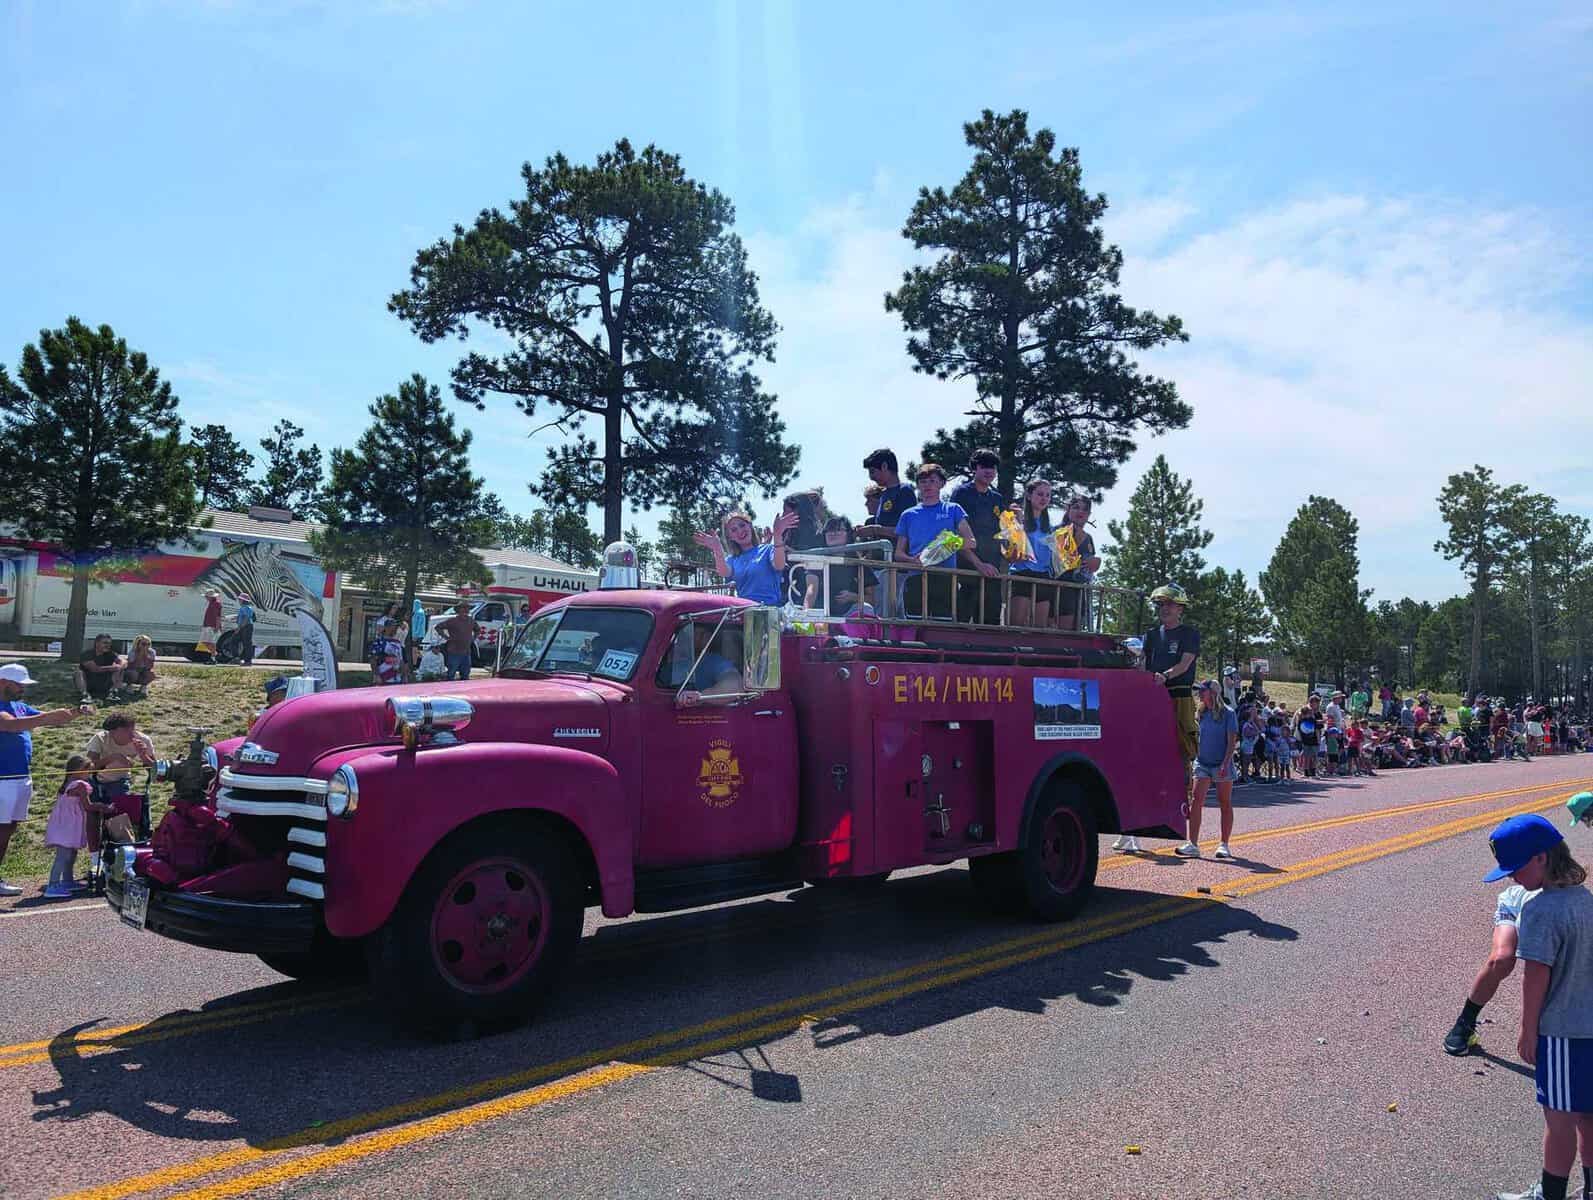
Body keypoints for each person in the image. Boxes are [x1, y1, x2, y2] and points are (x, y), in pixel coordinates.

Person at [1484, 809, 1593, 1200]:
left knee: (1559, 1120)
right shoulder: (1584, 898)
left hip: (1564, 1031)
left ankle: (1551, 1195)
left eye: (1515, 868)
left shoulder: (1540, 909)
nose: (1512, 877)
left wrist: (1528, 1029)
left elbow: (1535, 977)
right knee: (1588, 1114)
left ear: (1542, 858)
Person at [0, 664, 92, 897]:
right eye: (19, 684)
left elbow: (48, 719)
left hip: (21, 779)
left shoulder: (19, 706)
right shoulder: (5, 709)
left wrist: (75, 712)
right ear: (3, 683)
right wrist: (49, 716)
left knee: (9, 829)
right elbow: (10, 724)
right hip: (3, 781)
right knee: (1, 830)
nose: (23, 689)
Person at [893, 464, 986, 621]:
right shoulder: (908, 514)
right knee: (915, 625)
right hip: (916, 578)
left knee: (942, 627)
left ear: (942, 483)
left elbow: (971, 542)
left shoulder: (953, 509)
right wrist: (912, 560)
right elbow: (898, 553)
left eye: (932, 480)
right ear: (918, 485)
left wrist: (945, 546)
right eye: (923, 482)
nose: (927, 485)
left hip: (946, 577)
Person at [1176, 679, 1239, 859]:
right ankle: (1193, 844)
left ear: (1213, 692)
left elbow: (1231, 742)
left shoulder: (1228, 713)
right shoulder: (1201, 712)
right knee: (1196, 800)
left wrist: (1226, 764)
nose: (1199, 694)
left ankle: (1224, 844)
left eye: (1202, 691)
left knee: (1224, 802)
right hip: (1203, 763)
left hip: (1222, 764)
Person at [947, 449, 1008, 625]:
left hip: (992, 571)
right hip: (966, 569)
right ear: (975, 468)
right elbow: (955, 535)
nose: (989, 471)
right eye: (984, 466)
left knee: (991, 624)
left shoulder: (997, 498)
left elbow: (1002, 533)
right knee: (961, 623)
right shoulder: (961, 493)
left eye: (993, 467)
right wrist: (978, 564)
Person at [42, 754, 113, 898]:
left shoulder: (68, 782)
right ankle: (53, 885)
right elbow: (88, 806)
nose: (90, 773)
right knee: (63, 855)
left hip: (66, 823)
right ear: (78, 771)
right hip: (67, 825)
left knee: (71, 852)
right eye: (87, 770)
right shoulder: (80, 785)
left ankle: (67, 880)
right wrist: (103, 807)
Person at [695, 510, 796, 606]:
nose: (740, 531)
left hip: (770, 612)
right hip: (743, 612)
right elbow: (724, 572)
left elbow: (779, 565)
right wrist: (717, 548)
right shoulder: (732, 560)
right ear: (730, 537)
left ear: (750, 526)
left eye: (742, 525)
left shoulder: (768, 549)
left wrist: (777, 535)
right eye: (734, 530)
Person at [1007, 479, 1056, 629]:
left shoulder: (1050, 526)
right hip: (1023, 573)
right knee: (1016, 626)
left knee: (1040, 629)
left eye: (1047, 495)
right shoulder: (1016, 518)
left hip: (1044, 577)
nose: (1044, 498)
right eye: (1040, 494)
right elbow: (1011, 552)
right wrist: (1018, 521)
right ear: (1028, 496)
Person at [1052, 494, 1101, 632]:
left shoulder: (1088, 538)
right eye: (1076, 508)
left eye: (1085, 509)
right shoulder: (1058, 531)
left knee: (1075, 632)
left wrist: (1095, 564)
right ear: (1068, 510)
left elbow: (1088, 568)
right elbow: (1059, 561)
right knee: (1061, 635)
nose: (1081, 512)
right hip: (1059, 589)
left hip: (1080, 591)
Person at [859, 449, 917, 536]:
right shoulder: (884, 494)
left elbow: (908, 530)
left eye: (872, 471)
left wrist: (876, 530)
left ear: (884, 466)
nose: (871, 477)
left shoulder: (904, 491)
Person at [431, 602, 481, 682]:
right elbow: (438, 627)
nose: (465, 610)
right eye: (463, 608)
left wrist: (473, 638)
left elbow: (478, 630)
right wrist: (446, 637)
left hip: (466, 652)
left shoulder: (471, 621)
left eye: (467, 608)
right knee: (451, 674)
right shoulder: (452, 621)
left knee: (465, 675)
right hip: (454, 652)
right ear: (458, 610)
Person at [75, 633, 124, 703]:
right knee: (78, 672)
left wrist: (120, 666)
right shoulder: (87, 654)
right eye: (105, 643)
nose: (108, 645)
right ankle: (85, 695)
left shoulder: (111, 654)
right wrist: (113, 667)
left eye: (109, 643)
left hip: (104, 683)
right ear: (97, 643)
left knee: (120, 669)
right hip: (89, 683)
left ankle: (112, 693)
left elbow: (123, 662)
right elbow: (95, 669)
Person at [368, 618, 406, 685]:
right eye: (392, 626)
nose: (395, 629)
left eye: (396, 627)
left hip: (397, 679)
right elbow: (373, 660)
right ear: (386, 628)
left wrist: (404, 675)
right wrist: (376, 675)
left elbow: (401, 660)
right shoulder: (378, 642)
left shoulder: (398, 643)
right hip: (383, 678)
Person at [197, 589, 223, 660]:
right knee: (204, 642)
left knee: (211, 642)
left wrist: (217, 627)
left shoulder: (216, 603)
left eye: (206, 596)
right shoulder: (211, 603)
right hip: (207, 625)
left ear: (211, 597)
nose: (205, 597)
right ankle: (215, 654)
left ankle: (213, 657)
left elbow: (218, 616)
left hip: (212, 626)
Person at [234, 593, 257, 666]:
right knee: (242, 643)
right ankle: (239, 658)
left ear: (243, 600)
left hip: (246, 627)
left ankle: (247, 661)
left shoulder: (247, 608)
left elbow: (246, 619)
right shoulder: (244, 608)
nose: (239, 601)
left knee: (246, 644)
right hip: (245, 627)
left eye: (239, 599)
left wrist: (239, 628)